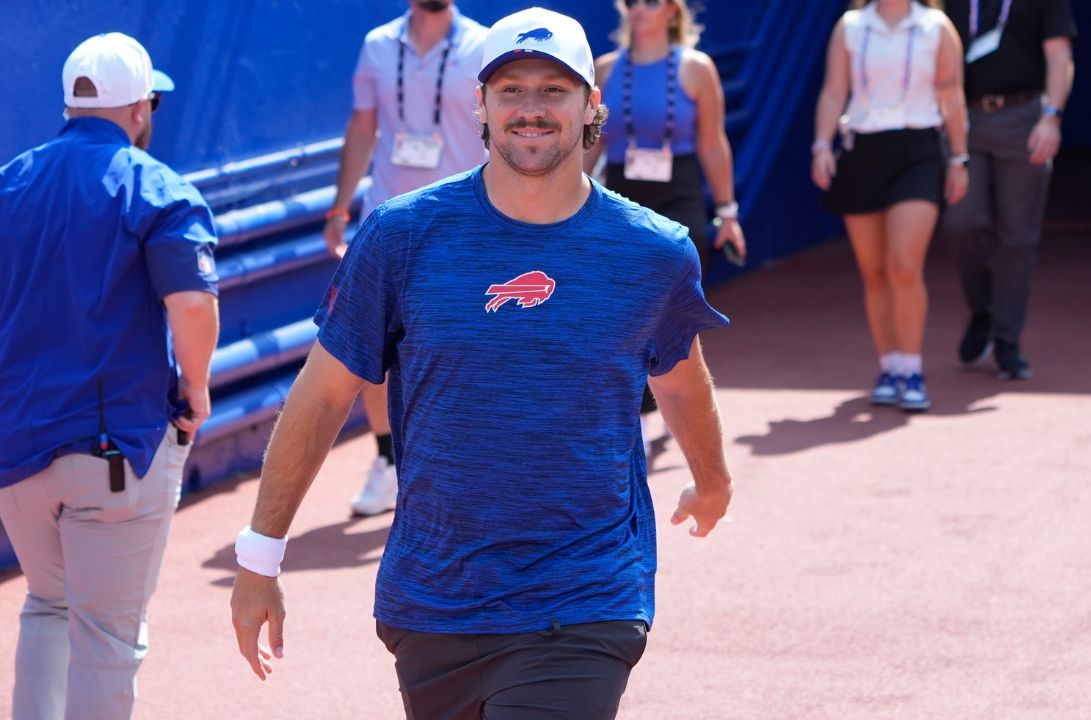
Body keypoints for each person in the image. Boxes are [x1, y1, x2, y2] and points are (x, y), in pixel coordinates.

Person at [230, 8, 734, 719]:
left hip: (584, 598)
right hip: (433, 601)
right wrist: (259, 558)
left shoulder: (652, 252)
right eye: (512, 91)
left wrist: (712, 482)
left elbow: (681, 378)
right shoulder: (401, 236)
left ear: (591, 105)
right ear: (482, 105)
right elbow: (321, 396)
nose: (531, 110)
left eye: (554, 91)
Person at [0, 33, 219, 720]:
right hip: (113, 450)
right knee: (106, 638)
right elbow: (191, 301)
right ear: (140, 106)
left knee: (46, 608)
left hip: (17, 452)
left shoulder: (10, 181)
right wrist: (198, 386)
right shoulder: (153, 184)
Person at [322, 0, 489, 517]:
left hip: (464, 223)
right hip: (389, 220)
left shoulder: (484, 45)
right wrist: (339, 207)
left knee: (468, 346)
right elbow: (363, 126)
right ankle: (389, 461)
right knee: (379, 349)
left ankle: (465, 461)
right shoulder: (377, 45)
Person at [585, 0, 746, 451]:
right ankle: (639, 406)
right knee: (623, 310)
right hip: (623, 197)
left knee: (673, 309)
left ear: (673, 10)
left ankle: (674, 403)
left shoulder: (696, 68)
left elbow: (714, 144)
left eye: (650, 1)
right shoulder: (606, 69)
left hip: (681, 195)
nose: (639, 8)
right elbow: (590, 146)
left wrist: (728, 213)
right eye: (632, 1)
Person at [812, 0, 969, 412]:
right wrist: (821, 146)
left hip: (919, 151)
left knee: (904, 264)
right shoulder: (850, 25)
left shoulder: (936, 26)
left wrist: (959, 158)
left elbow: (951, 94)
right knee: (875, 271)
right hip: (862, 150)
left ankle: (913, 369)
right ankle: (890, 365)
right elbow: (833, 92)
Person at [938, 0, 1076, 379]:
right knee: (961, 221)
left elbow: (1060, 53)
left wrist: (1052, 118)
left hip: (1026, 115)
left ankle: (1007, 338)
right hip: (967, 120)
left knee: (1018, 236)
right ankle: (983, 309)